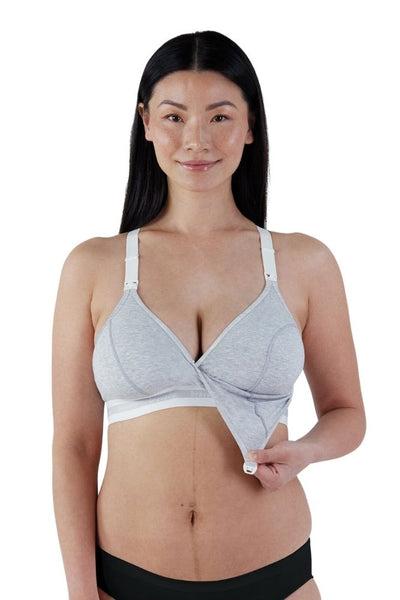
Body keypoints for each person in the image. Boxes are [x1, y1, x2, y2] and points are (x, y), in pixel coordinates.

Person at [52, 31, 366, 600]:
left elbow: (347, 413)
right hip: (126, 579)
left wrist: (306, 451)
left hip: (276, 575)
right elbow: (74, 446)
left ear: (250, 127)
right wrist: (80, 592)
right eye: (174, 117)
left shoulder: (304, 263)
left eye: (220, 117)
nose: (196, 139)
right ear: (146, 123)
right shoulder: (93, 266)